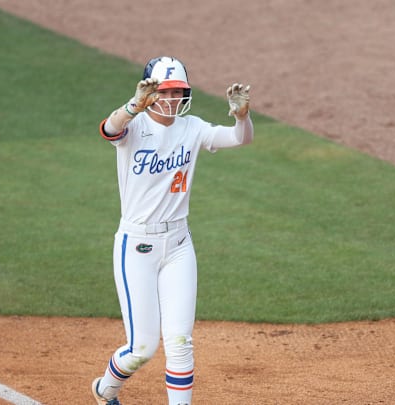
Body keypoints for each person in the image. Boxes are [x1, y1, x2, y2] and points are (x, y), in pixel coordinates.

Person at [91, 56, 254, 405]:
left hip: (179, 244)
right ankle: (105, 391)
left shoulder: (191, 128)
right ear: (149, 93)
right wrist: (133, 106)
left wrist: (242, 116)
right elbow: (108, 129)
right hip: (136, 245)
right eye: (165, 91)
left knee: (180, 341)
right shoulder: (133, 126)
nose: (172, 98)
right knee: (142, 349)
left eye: (178, 91)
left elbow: (239, 139)